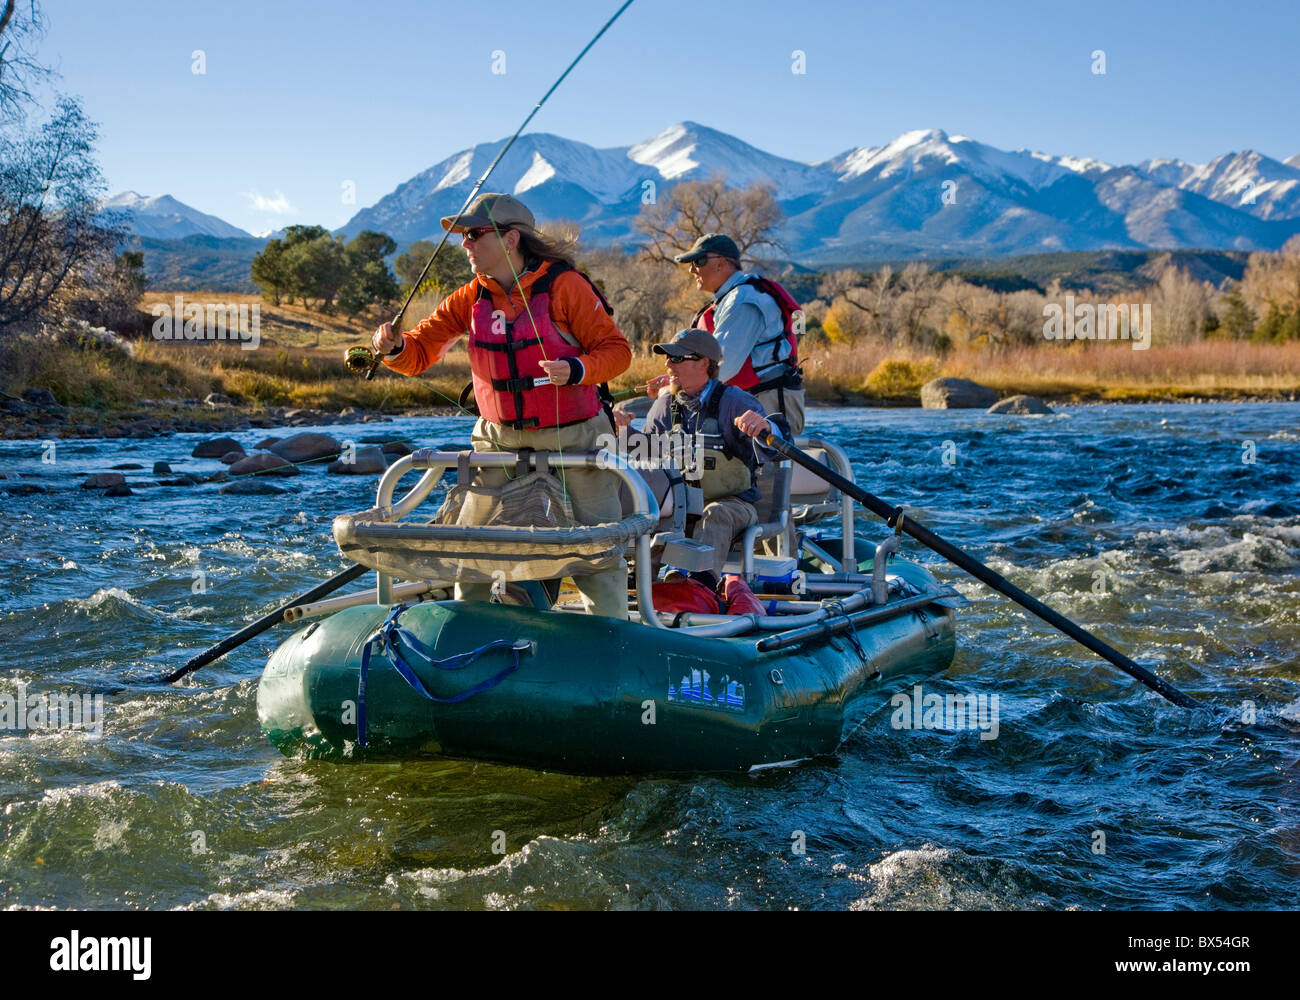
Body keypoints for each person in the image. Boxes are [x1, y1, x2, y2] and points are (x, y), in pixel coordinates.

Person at [369, 192, 632, 618]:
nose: (464, 244)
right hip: (496, 442)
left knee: (596, 554)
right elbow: (417, 355)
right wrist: (394, 346)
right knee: (474, 551)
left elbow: (618, 353)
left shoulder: (567, 286)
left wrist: (578, 368)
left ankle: (611, 646)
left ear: (510, 239)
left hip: (578, 438)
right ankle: (468, 638)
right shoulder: (468, 298)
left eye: (474, 234)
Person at [641, 329, 790, 590]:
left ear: (704, 364)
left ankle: (699, 589)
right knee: (645, 516)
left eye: (677, 358)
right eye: (667, 358)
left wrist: (765, 427)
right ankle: (636, 589)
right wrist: (618, 429)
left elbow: (778, 446)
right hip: (677, 509)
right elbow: (642, 459)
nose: (668, 364)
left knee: (714, 514)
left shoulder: (736, 401)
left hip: (734, 506)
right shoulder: (663, 407)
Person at [666, 232, 806, 436]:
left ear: (721, 263)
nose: (692, 269)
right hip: (756, 400)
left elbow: (721, 365)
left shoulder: (742, 302)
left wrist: (679, 387)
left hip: (769, 403)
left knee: (767, 465)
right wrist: (674, 377)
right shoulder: (735, 296)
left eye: (699, 260)